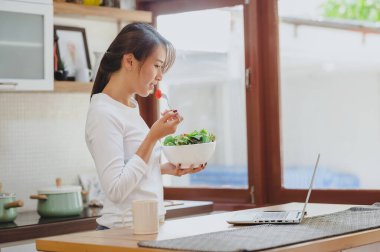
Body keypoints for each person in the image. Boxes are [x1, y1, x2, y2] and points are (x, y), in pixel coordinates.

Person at [85, 22, 206, 230]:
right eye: (157, 65)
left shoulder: (130, 107)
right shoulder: (103, 113)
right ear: (130, 61)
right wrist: (152, 137)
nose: (160, 76)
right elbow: (115, 188)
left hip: (143, 226)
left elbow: (129, 172)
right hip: (119, 232)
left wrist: (162, 170)